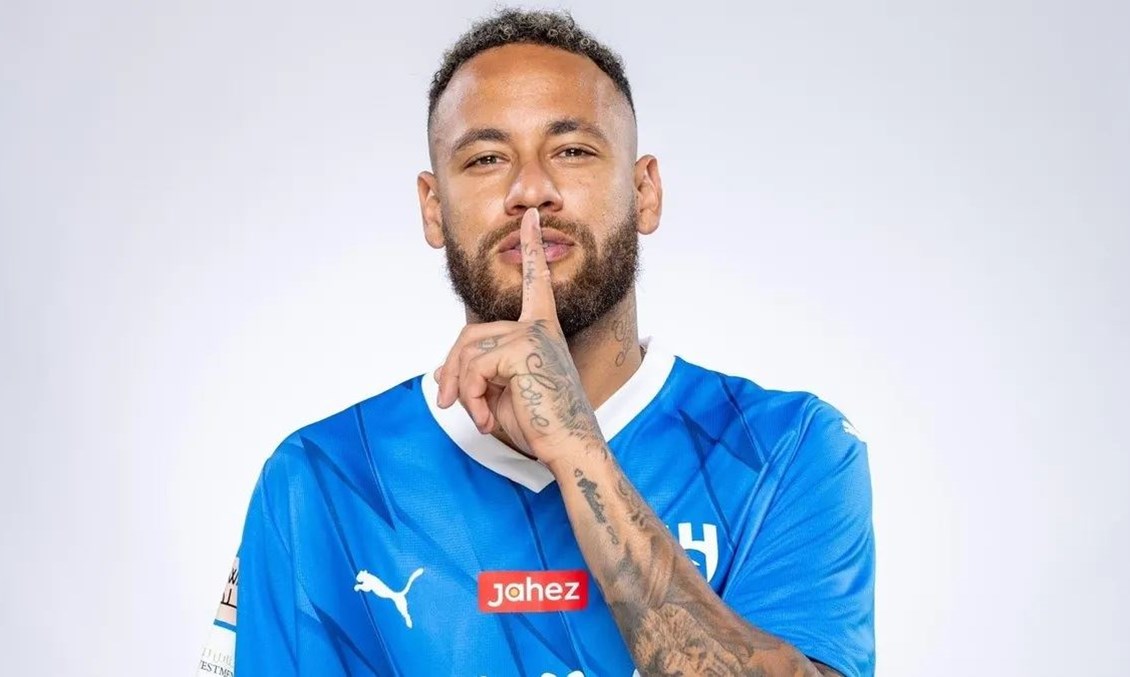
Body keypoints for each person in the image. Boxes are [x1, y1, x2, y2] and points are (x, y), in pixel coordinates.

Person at [195, 8, 874, 677]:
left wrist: (577, 449)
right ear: (433, 209)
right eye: (486, 158)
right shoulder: (319, 478)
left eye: (572, 150)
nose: (530, 191)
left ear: (644, 192)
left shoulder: (787, 447)